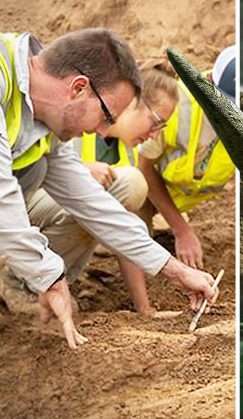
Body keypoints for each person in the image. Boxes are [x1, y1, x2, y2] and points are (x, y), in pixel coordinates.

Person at [0, 28, 218, 349]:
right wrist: (49, 276)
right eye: (105, 116)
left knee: (42, 168)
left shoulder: (45, 124)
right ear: (78, 88)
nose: (102, 132)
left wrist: (173, 270)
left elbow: (95, 206)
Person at [72, 48, 236, 314]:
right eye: (155, 123)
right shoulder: (171, 104)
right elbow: (129, 208)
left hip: (132, 194)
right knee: (124, 213)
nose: (153, 134)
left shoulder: (129, 142)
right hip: (102, 191)